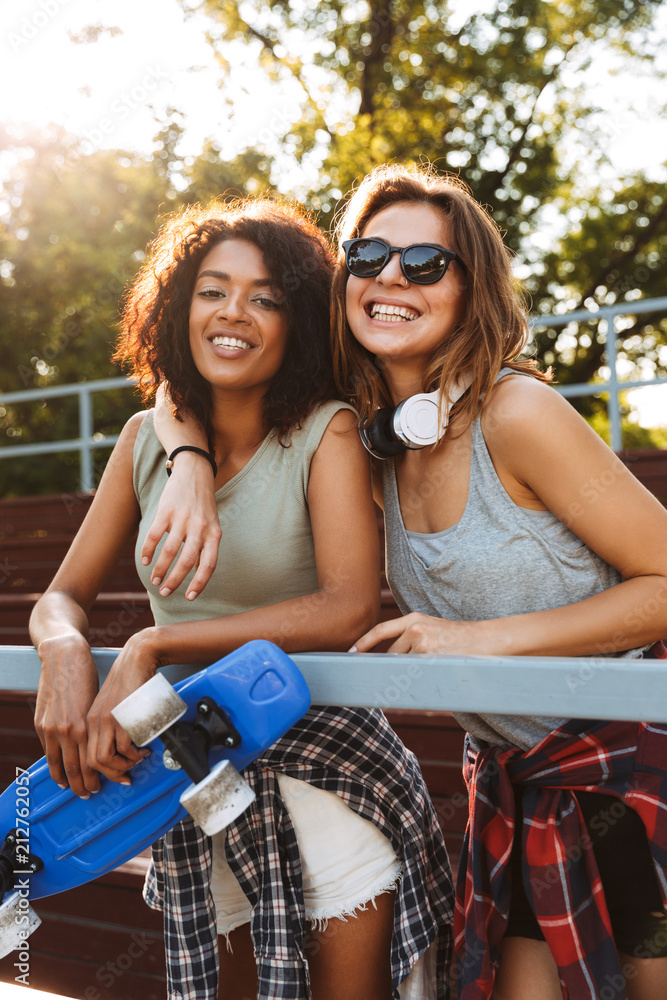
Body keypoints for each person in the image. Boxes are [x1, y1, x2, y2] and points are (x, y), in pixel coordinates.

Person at [152, 166, 667, 1000]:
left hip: (629, 768)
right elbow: (198, 373)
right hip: (520, 779)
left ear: (470, 292)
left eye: (427, 263)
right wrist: (184, 461)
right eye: (369, 254)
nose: (392, 276)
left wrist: (475, 644)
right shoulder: (367, 440)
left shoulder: (517, 414)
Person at [30, 198, 454, 1000]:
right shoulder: (142, 440)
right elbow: (62, 595)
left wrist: (154, 648)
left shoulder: (324, 431)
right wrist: (62, 649)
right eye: (212, 289)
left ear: (296, 322)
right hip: (189, 776)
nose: (234, 314)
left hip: (322, 773)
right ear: (177, 305)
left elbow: (348, 607)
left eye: (265, 297)